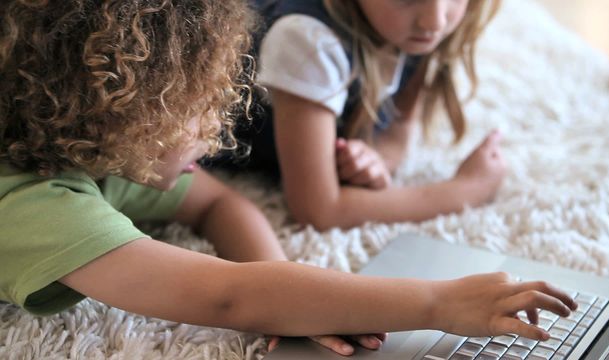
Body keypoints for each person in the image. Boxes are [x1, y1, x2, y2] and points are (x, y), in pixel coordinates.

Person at [0, 0, 576, 357]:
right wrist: (437, 302)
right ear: (120, 112)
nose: (219, 130)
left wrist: (292, 298)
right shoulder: (33, 204)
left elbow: (223, 208)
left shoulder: (89, 146)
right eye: (200, 107)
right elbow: (226, 297)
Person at [228, 0, 507, 231]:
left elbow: (399, 126)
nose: (434, 22)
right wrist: (463, 192)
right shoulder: (307, 40)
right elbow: (319, 211)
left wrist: (376, 159)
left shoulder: (413, 30)